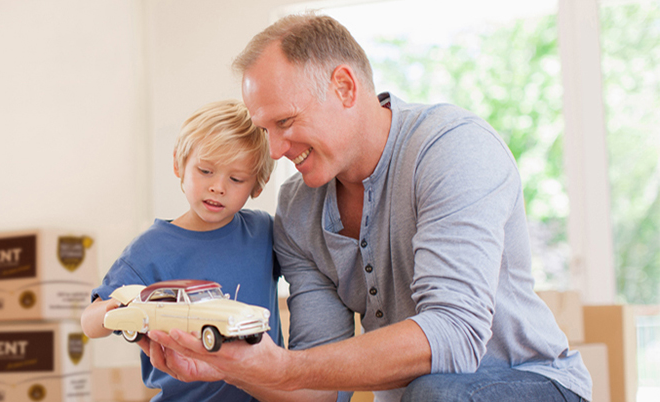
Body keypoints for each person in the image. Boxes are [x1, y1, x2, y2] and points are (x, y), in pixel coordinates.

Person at [144, 13, 593, 402]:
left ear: (343, 86)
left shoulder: (453, 149)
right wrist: (233, 366)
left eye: (285, 122)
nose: (276, 149)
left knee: (435, 390)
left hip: (534, 383)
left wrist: (283, 366)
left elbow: (454, 337)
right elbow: (319, 389)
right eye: (265, 131)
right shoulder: (299, 210)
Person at [80, 99, 282, 402]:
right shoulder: (151, 249)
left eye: (236, 179)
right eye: (205, 171)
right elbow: (89, 323)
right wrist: (121, 310)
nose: (218, 187)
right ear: (179, 164)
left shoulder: (263, 232)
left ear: (258, 184)